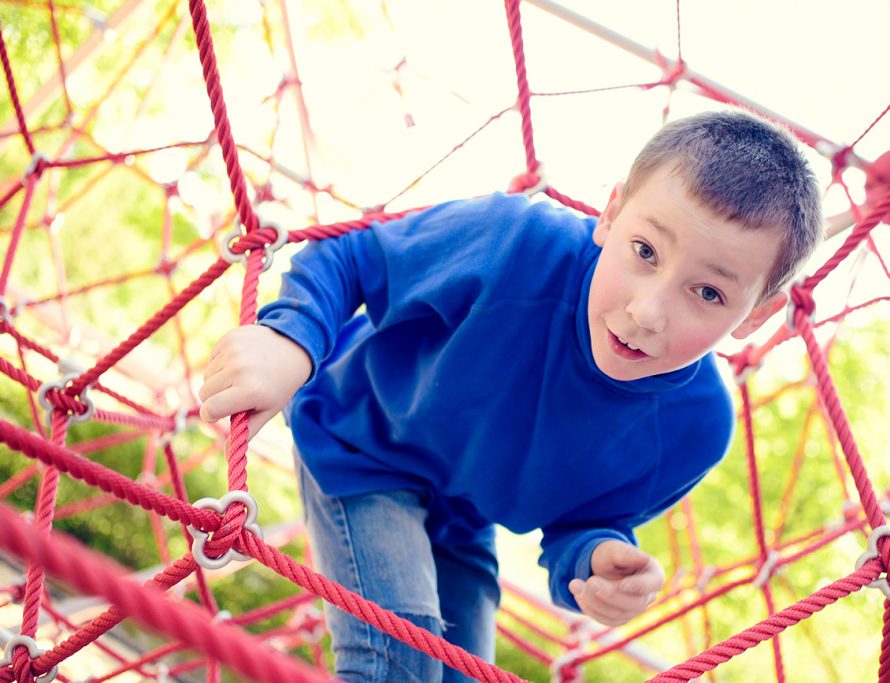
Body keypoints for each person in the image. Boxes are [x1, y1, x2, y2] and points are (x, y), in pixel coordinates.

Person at [198, 108, 822, 682]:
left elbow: (582, 523)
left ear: (756, 315)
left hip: (465, 514)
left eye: (708, 293)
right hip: (360, 441)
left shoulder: (694, 428)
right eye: (645, 251)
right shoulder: (514, 243)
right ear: (610, 215)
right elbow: (355, 256)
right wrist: (293, 341)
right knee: (400, 655)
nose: (648, 310)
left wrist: (599, 559)